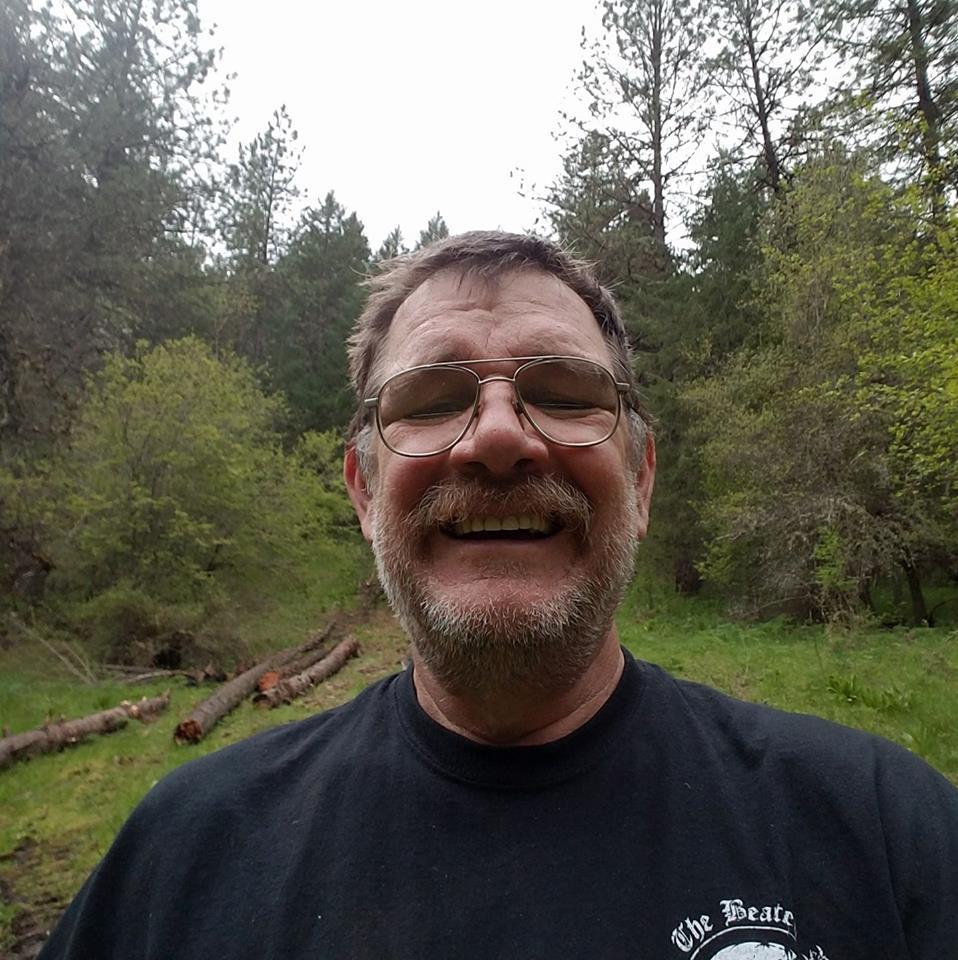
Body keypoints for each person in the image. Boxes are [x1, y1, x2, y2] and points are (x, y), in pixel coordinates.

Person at [40, 232, 958, 960]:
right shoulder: (185, 849)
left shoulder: (885, 832)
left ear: (642, 479)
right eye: (431, 399)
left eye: (562, 390)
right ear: (363, 493)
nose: (496, 438)